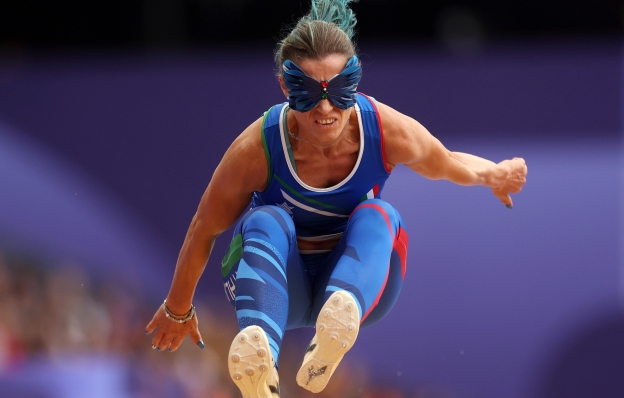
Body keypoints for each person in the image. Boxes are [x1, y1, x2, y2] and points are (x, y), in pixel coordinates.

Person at [146, 0, 528, 397]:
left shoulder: (385, 130)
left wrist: (494, 175)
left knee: (379, 214)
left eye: (339, 92)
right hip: (278, 288)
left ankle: (338, 315)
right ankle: (260, 354)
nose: (325, 108)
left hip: (358, 287)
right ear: (284, 86)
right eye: (307, 93)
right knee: (265, 221)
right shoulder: (257, 147)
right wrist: (177, 308)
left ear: (356, 83)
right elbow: (204, 228)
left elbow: (447, 162)